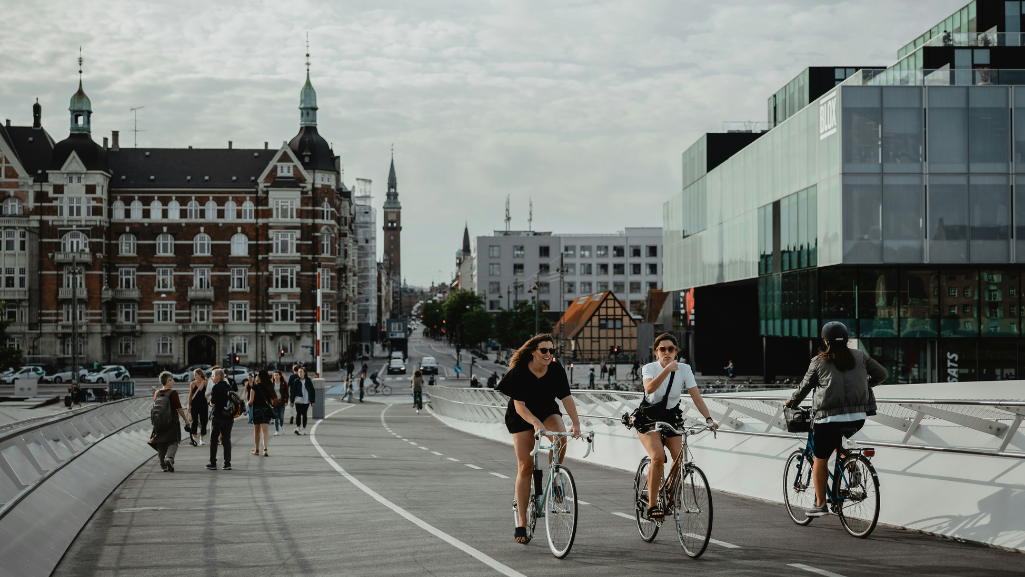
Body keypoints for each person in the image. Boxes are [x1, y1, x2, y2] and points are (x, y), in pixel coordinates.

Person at [785, 322, 887, 517]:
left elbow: (804, 388)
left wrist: (792, 402)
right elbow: (882, 374)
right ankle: (851, 463)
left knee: (820, 459)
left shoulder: (818, 361)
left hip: (828, 420)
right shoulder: (859, 356)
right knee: (838, 440)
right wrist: (867, 385)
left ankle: (820, 504)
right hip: (857, 418)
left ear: (825, 340)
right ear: (847, 339)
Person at [497, 333, 582, 545]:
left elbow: (566, 398)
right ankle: (522, 523)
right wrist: (536, 424)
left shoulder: (556, 369)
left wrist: (576, 423)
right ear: (534, 351)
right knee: (525, 466)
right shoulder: (520, 372)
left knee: (560, 437)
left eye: (551, 351)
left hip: (547, 411)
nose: (548, 354)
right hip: (522, 417)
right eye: (544, 350)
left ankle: (555, 477)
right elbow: (520, 406)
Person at [629, 333, 716, 521]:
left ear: (676, 352)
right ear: (656, 352)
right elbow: (649, 388)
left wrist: (708, 419)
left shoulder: (685, 369)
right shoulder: (649, 368)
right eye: (663, 349)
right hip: (649, 418)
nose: (667, 352)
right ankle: (652, 505)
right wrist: (667, 370)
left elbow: (696, 397)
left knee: (680, 459)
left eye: (671, 349)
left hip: (671, 418)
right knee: (658, 457)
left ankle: (669, 491)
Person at [148, 371, 189, 472]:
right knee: (173, 441)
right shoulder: (173, 393)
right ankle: (169, 458)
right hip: (171, 422)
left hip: (158, 422)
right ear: (167, 381)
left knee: (161, 442)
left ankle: (163, 465)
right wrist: (186, 420)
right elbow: (179, 408)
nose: (173, 382)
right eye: (172, 380)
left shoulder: (157, 393)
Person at [206, 369, 233, 470]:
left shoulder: (216, 387)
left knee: (213, 440)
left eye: (213, 375)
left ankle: (213, 463)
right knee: (226, 440)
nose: (211, 377)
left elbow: (213, 403)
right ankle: (227, 463)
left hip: (218, 417)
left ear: (218, 376)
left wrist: (209, 403)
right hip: (229, 417)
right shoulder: (229, 387)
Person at [249, 370, 275, 456]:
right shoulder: (269, 386)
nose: (256, 376)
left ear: (259, 377)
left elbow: (251, 401)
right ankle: (265, 449)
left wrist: (247, 405)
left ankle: (256, 450)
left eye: (257, 375)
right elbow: (272, 401)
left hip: (257, 411)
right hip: (266, 410)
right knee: (265, 431)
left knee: (256, 431)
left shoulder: (255, 387)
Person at [290, 366, 315, 435]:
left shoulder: (308, 380)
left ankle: (304, 428)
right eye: (298, 372)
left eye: (301, 372)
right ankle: (298, 428)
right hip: (298, 399)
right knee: (298, 414)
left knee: (304, 414)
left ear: (304, 373)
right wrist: (291, 401)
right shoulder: (296, 381)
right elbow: (293, 391)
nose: (299, 373)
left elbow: (312, 390)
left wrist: (313, 401)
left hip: (306, 400)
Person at [187, 368, 208, 446]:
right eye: (194, 375)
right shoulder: (192, 383)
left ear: (200, 375)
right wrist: (189, 405)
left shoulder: (206, 383)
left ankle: (201, 438)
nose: (194, 376)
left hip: (203, 405)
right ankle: (194, 438)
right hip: (194, 405)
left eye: (196, 375)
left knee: (204, 421)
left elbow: (210, 392)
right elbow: (190, 395)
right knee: (194, 421)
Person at [272, 371, 287, 436]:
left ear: (280, 376)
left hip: (281, 401)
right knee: (276, 417)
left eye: (277, 375)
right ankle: (277, 431)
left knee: (281, 416)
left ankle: (281, 426)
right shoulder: (272, 383)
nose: (275, 376)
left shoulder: (283, 383)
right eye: (274, 375)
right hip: (274, 402)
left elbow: (287, 393)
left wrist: (286, 401)